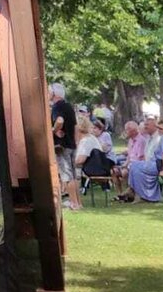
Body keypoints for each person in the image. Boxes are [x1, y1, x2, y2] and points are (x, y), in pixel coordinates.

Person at [49, 81, 82, 211]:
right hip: (71, 144)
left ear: (54, 94)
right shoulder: (69, 107)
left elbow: (59, 120)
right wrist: (75, 142)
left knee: (66, 176)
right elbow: (76, 126)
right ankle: (78, 202)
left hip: (61, 146)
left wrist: (52, 130)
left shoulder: (57, 107)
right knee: (73, 175)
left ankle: (74, 203)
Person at [129, 119, 163, 202]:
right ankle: (137, 193)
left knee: (135, 166)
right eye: (145, 125)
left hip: (158, 164)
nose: (145, 127)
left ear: (154, 126)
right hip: (149, 164)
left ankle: (137, 193)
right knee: (134, 166)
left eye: (147, 125)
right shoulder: (148, 139)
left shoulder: (159, 139)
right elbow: (146, 155)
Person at [74, 119, 116, 187]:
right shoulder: (91, 138)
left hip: (94, 169)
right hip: (100, 167)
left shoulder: (86, 141)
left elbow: (80, 160)